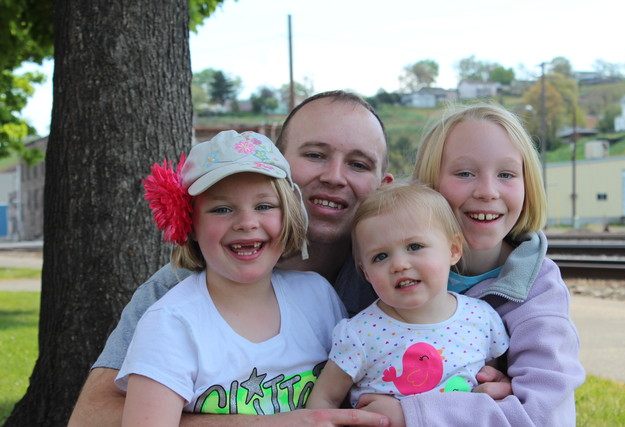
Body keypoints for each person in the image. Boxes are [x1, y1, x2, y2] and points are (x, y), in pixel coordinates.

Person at [68, 92, 510, 426]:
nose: (334, 176)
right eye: (315, 155)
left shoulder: (404, 277)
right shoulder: (178, 295)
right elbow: (91, 416)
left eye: (357, 163)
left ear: (383, 185)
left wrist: (475, 390)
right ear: (281, 169)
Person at [360, 103, 584, 426]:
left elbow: (543, 415)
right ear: (429, 185)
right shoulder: (392, 269)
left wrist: (412, 414)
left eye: (506, 174)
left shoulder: (538, 287)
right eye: (465, 173)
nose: (488, 191)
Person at [115, 130, 348, 425]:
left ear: (289, 214)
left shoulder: (318, 297)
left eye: (264, 206)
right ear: (190, 224)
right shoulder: (171, 323)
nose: (247, 223)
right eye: (222, 209)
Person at [307, 182, 509, 416]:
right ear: (367, 273)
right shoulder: (359, 335)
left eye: (415, 246)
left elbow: (493, 382)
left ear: (453, 250)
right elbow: (324, 400)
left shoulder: (482, 318)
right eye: (380, 256)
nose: (399, 265)